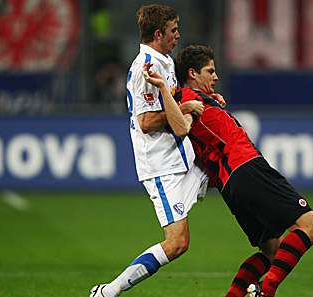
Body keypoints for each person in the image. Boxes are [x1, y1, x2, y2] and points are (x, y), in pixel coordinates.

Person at [163, 45, 313, 297]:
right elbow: (179, 116)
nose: (216, 76)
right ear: (192, 73)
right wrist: (182, 101)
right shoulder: (187, 98)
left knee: (273, 251)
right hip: (246, 167)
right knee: (307, 226)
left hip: (230, 185)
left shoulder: (198, 100)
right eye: (210, 71)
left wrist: (207, 101)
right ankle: (267, 289)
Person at [89, 5, 207, 297]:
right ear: (158, 34)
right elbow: (145, 121)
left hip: (182, 157)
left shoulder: (164, 61)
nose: (178, 35)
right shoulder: (145, 68)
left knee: (236, 170)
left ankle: (303, 225)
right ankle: (109, 291)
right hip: (162, 166)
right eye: (173, 30)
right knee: (177, 243)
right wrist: (184, 109)